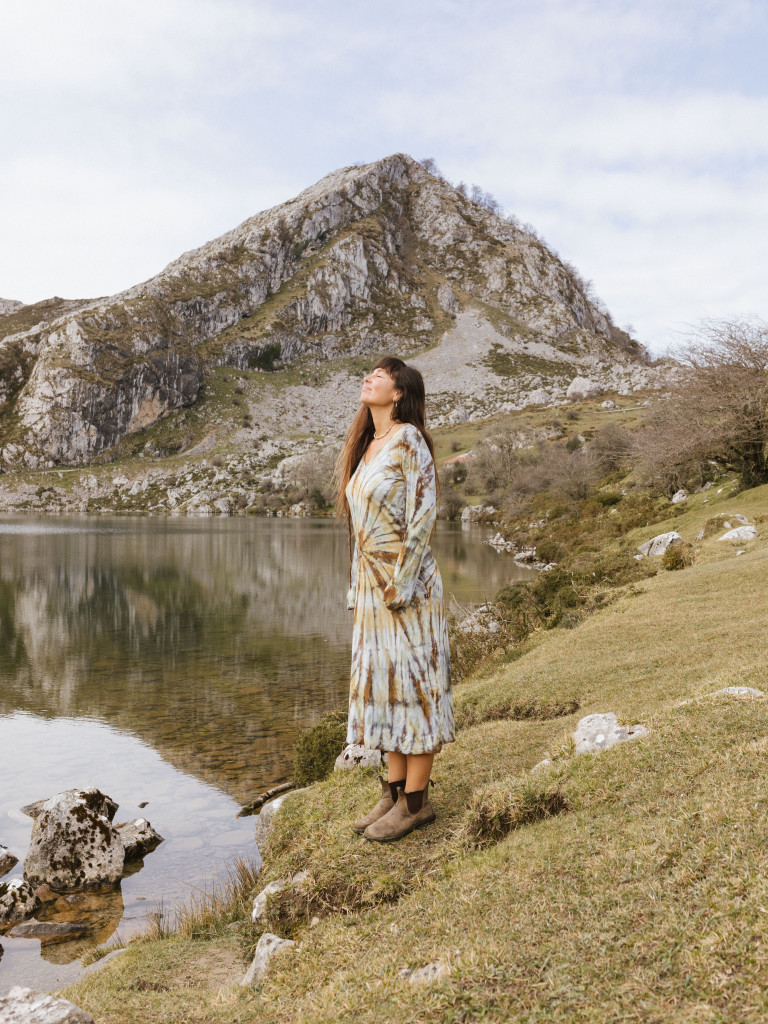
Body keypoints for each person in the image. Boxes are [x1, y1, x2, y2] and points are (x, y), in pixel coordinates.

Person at [335, 356, 454, 843]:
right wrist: (355, 586)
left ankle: (416, 805)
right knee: (383, 689)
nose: (368, 378)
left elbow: (423, 516)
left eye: (379, 375)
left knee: (415, 689)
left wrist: (401, 584)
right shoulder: (368, 446)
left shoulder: (408, 439)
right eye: (368, 374)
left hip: (405, 586)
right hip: (371, 587)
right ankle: (393, 791)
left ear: (399, 391)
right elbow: (360, 530)